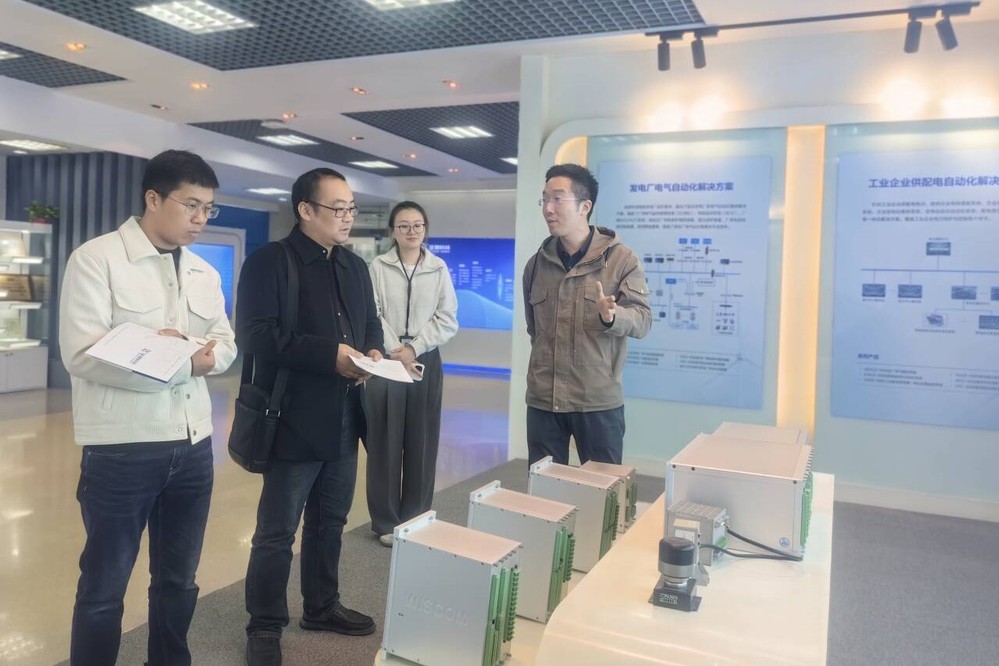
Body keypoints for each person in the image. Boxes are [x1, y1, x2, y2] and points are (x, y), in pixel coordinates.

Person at [59, 149, 237, 666]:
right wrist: (184, 362)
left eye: (208, 208)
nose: (201, 218)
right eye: (191, 205)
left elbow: (225, 343)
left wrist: (189, 355)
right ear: (153, 198)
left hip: (193, 443)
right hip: (123, 447)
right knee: (104, 586)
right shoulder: (97, 259)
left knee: (179, 579)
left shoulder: (203, 271)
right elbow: (83, 353)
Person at [237, 167, 384, 666]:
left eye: (351, 208)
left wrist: (372, 353)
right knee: (277, 530)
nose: (347, 217)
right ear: (305, 210)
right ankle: (264, 623)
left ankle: (321, 606)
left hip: (345, 414)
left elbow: (369, 324)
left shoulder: (354, 266)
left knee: (330, 521)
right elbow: (256, 334)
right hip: (292, 417)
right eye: (337, 208)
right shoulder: (270, 262)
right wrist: (331, 357)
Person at [523, 163, 651, 466]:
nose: (548, 209)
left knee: (601, 489)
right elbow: (534, 330)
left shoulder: (621, 260)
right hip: (543, 401)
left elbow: (643, 320)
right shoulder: (536, 264)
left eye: (558, 199)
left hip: (597, 401)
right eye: (545, 199)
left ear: (585, 206)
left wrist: (613, 316)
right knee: (544, 489)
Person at [365, 201, 459, 546]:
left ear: (425, 229)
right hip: (386, 359)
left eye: (417, 225)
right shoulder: (378, 267)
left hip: (425, 360)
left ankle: (416, 519)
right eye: (403, 225)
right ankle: (386, 522)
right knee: (384, 441)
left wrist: (415, 348)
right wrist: (396, 350)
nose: (411, 231)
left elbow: (447, 317)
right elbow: (372, 313)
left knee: (422, 440)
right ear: (393, 231)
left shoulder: (438, 268)